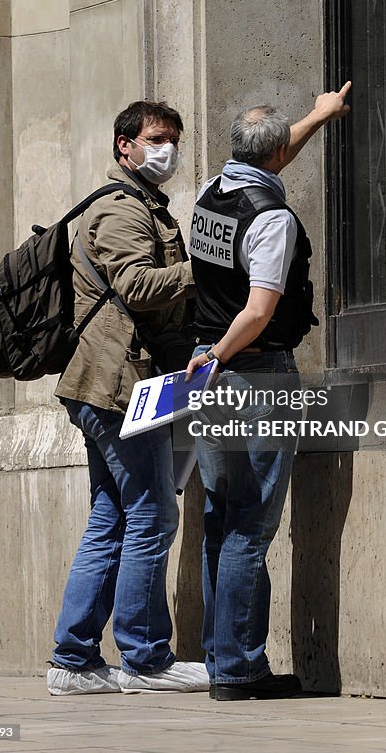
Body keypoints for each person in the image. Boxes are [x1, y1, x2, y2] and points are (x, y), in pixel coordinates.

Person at [186, 83, 351, 701]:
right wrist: (221, 357)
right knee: (250, 527)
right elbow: (258, 312)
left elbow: (270, 157)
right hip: (252, 377)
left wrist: (318, 116)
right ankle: (239, 668)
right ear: (277, 154)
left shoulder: (213, 192)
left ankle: (220, 659)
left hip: (209, 374)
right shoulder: (273, 219)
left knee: (219, 518)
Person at [48, 100, 208, 696]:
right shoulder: (119, 209)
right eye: (155, 138)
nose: (166, 149)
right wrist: (210, 272)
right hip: (115, 387)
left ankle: (74, 661)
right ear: (125, 146)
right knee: (152, 512)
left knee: (112, 515)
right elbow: (138, 287)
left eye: (173, 139)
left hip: (115, 384)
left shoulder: (142, 205)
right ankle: (145, 659)